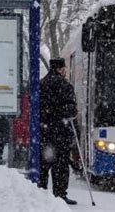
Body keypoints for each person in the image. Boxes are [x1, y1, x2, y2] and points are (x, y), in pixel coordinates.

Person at [39, 58, 78, 205]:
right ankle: (60, 194)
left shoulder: (41, 84)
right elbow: (71, 110)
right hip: (60, 132)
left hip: (44, 131)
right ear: (61, 69)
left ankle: (41, 191)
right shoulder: (65, 85)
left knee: (44, 163)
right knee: (60, 165)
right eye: (64, 68)